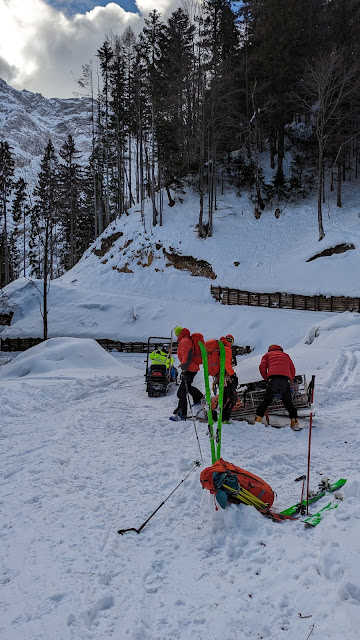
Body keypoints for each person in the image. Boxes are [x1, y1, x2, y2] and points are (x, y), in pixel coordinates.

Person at [255, 344, 299, 429]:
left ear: (269, 350)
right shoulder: (286, 355)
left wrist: (266, 378)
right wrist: (289, 379)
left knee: (267, 401)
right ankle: (294, 422)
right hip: (285, 379)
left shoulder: (267, 355)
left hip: (273, 378)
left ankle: (258, 420)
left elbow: (262, 367)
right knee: (288, 402)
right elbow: (292, 369)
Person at [170, 327, 203, 421]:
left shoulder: (184, 340)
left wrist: (184, 367)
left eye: (176, 334)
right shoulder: (186, 339)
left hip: (190, 368)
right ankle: (198, 398)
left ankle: (182, 413)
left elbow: (187, 355)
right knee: (186, 387)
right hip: (191, 367)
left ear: (179, 334)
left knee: (182, 391)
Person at [218, 335, 238, 424]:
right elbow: (226, 365)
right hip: (226, 377)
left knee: (223, 397)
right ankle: (224, 418)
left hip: (219, 377)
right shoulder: (226, 349)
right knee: (232, 397)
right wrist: (233, 375)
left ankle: (220, 417)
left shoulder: (220, 347)